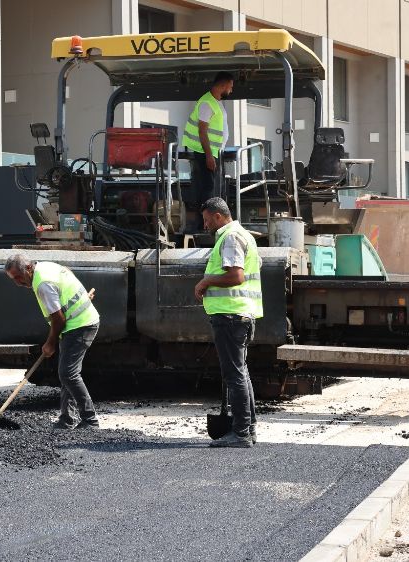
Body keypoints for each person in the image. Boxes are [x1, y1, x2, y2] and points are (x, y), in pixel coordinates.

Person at [193, 197, 262, 448]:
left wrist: (206, 281)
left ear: (218, 216)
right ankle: (248, 429)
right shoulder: (244, 235)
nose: (205, 224)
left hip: (230, 316)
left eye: (207, 218)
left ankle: (241, 433)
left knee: (235, 375)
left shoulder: (230, 236)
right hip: (240, 315)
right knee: (241, 373)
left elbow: (235, 276)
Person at [4, 254, 100, 429]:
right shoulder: (44, 267)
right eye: (13, 279)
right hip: (77, 323)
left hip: (80, 325)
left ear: (28, 268)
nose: (17, 282)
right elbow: (67, 273)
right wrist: (77, 297)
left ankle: (90, 420)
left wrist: (50, 343)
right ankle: (67, 419)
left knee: (68, 374)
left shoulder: (42, 285)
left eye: (18, 277)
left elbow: (59, 320)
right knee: (66, 373)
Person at [182, 72, 235, 232]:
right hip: (204, 152)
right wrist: (209, 156)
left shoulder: (215, 102)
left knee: (210, 188)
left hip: (212, 152)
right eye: (230, 87)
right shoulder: (206, 103)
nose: (231, 91)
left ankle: (208, 223)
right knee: (207, 189)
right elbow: (202, 131)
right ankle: (205, 225)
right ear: (224, 85)